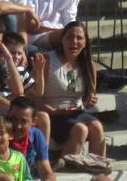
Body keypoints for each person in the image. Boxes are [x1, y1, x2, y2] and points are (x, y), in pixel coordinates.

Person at [39, 21, 110, 170]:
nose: (74, 42)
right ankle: (66, 169)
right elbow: (35, 98)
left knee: (97, 126)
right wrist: (54, 110)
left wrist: (91, 99)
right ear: (62, 40)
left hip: (75, 112)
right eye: (70, 37)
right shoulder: (47, 60)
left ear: (85, 42)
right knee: (81, 129)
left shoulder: (88, 64)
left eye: (79, 38)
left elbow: (86, 96)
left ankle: (97, 168)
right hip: (52, 112)